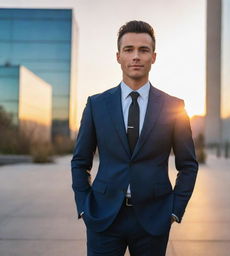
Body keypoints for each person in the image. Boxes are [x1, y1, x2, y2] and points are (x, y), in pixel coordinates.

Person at [71, 20, 198, 256]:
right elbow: (80, 161)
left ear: (154, 57)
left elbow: (188, 165)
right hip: (103, 216)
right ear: (118, 56)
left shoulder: (174, 107)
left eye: (143, 50)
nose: (136, 56)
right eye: (129, 50)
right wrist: (83, 206)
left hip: (154, 218)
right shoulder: (96, 104)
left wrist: (174, 210)